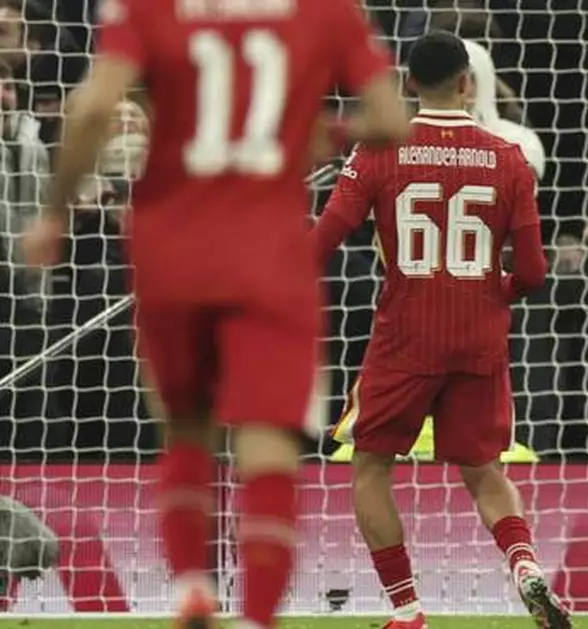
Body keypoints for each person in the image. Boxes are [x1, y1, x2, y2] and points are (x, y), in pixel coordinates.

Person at [20, 1, 410, 628]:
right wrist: (321, 129)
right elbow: (391, 118)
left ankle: (192, 588)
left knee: (186, 427)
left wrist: (55, 211)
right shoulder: (327, 10)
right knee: (267, 443)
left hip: (170, 247)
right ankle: (256, 616)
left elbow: (91, 107)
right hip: (270, 255)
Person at [311, 31, 567, 629]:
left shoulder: (379, 150)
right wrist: (487, 292)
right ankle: (524, 565)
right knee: (484, 470)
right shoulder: (509, 158)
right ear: (467, 84)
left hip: (405, 333)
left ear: (406, 85)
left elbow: (321, 244)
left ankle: (407, 610)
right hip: (479, 335)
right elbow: (532, 271)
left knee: (371, 466)